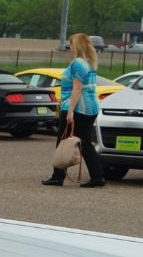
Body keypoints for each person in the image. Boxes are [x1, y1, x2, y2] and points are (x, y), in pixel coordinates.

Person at [43, 32, 106, 188]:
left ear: (76, 45)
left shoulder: (77, 63)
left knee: (63, 140)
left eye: (71, 44)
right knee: (85, 143)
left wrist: (70, 110)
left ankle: (57, 177)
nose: (69, 47)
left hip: (77, 107)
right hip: (91, 107)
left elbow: (77, 89)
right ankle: (98, 176)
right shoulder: (89, 62)